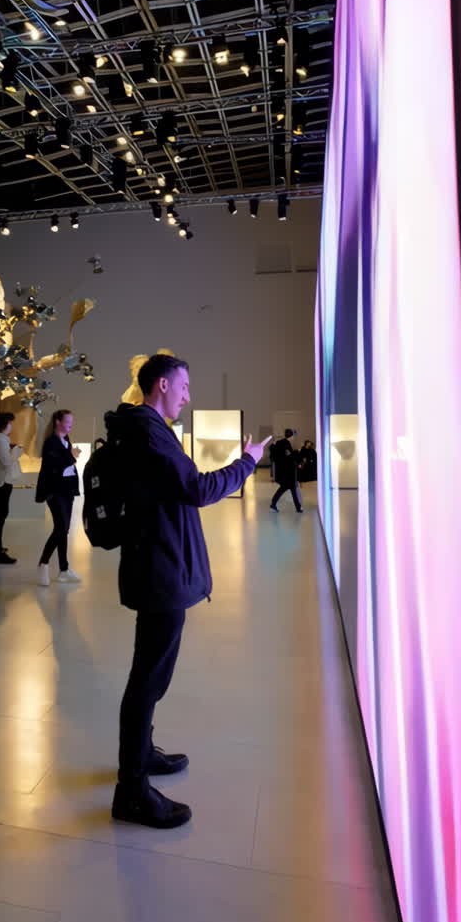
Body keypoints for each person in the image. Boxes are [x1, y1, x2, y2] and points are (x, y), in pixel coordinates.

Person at [106, 354, 270, 829]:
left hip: (160, 566)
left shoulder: (146, 430)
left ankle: (141, 755)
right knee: (147, 679)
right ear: (162, 384)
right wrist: (248, 462)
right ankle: (132, 790)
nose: (188, 395)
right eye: (184, 386)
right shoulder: (147, 431)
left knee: (151, 676)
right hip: (161, 572)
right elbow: (197, 489)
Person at [35, 410, 81, 586]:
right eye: (68, 421)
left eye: (71, 421)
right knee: (60, 529)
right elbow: (53, 468)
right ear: (57, 422)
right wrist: (72, 457)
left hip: (67, 490)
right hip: (55, 491)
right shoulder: (50, 443)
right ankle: (43, 563)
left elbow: (67, 467)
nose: (71, 424)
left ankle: (64, 569)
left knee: (64, 530)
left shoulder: (65, 440)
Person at [0, 412, 22, 564]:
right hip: (2, 481)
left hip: (0, 479)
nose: (11, 426)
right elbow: (6, 462)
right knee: (0, 514)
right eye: (10, 423)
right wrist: (16, 451)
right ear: (4, 424)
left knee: (0, 513)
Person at [270, 428, 303, 512]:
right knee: (289, 488)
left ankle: (297, 507)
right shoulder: (285, 444)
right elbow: (289, 457)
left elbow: (284, 455)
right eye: (293, 436)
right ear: (291, 436)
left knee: (289, 489)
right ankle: (273, 505)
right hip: (288, 471)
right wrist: (297, 452)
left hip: (284, 471)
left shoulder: (281, 442)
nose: (293, 437)